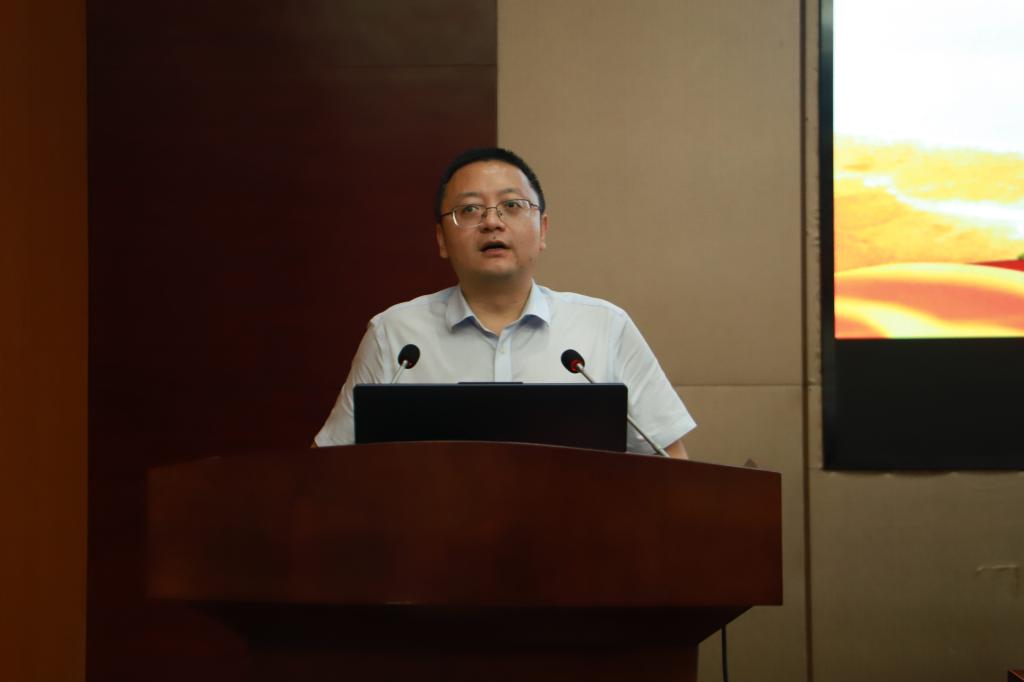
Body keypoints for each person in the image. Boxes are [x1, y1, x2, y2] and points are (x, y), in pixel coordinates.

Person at [314, 148, 695, 457]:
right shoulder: (396, 335)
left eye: (512, 205)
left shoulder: (604, 327)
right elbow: (329, 468)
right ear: (442, 239)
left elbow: (670, 462)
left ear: (542, 230)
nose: (492, 222)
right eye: (469, 210)